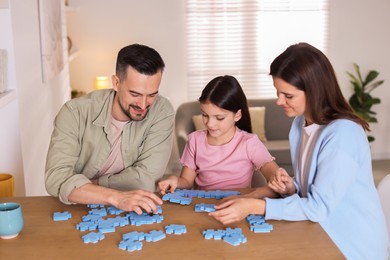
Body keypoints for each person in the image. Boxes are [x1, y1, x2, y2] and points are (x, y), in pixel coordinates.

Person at [209, 43, 388, 259]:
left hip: (350, 243)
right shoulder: (300, 124)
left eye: (288, 95)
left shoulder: (344, 134)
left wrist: (256, 206)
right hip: (320, 229)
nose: (279, 101)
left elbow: (318, 207)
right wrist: (290, 187)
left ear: (314, 91)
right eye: (277, 92)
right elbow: (313, 185)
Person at [45, 43, 175, 214]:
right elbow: (55, 179)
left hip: (135, 210)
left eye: (151, 95)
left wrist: (87, 186)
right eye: (135, 94)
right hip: (79, 209)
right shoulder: (74, 112)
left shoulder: (162, 110)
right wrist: (115, 197)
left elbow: (146, 180)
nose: (143, 105)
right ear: (116, 82)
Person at [158, 75, 279, 194]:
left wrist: (280, 180)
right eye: (205, 115)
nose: (210, 124)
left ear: (237, 115)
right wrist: (176, 181)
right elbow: (186, 181)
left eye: (219, 118)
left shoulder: (249, 142)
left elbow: (275, 176)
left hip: (238, 206)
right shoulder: (195, 140)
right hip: (203, 204)